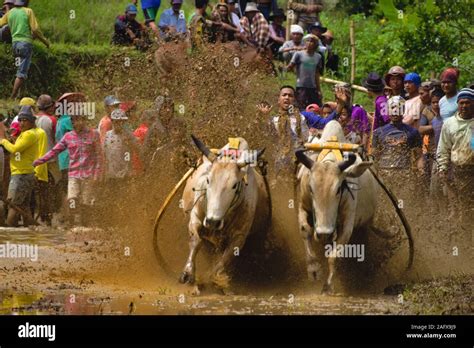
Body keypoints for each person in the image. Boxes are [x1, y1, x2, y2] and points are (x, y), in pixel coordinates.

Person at [34, 115, 102, 226]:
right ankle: (72, 225)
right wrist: (40, 161)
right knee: (72, 200)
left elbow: (99, 155)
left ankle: (86, 227)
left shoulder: (94, 134)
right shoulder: (68, 136)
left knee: (86, 203)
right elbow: (54, 151)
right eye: (73, 121)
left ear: (84, 120)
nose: (75, 123)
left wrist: (97, 174)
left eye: (78, 120)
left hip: (89, 174)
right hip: (74, 174)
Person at [436, 88, 473, 220]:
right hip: (457, 171)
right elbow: (443, 148)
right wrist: (442, 168)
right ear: (457, 104)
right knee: (458, 207)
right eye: (461, 103)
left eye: (468, 102)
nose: (464, 106)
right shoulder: (449, 124)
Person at [0, 0, 50, 99]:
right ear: (26, 3)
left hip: (15, 45)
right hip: (25, 44)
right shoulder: (28, 11)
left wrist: (6, 12)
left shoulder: (11, 12)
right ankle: (13, 97)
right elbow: (35, 29)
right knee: (21, 73)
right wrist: (45, 42)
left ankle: (21, 95)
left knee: (21, 71)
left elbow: (1, 23)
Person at [373, 96, 422, 190]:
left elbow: (419, 155)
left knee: (404, 202)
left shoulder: (413, 132)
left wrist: (421, 171)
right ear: (387, 110)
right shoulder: (378, 132)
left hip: (405, 174)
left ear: (403, 110)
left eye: (398, 108)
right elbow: (375, 155)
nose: (395, 111)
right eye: (392, 107)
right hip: (384, 173)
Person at [0, 105, 38, 226]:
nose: (21, 123)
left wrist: (3, 141)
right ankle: (30, 230)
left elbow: (15, 149)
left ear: (31, 122)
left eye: (25, 120)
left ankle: (11, 234)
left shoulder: (29, 135)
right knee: (23, 206)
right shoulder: (25, 134)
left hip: (21, 174)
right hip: (23, 173)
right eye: (20, 120)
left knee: (13, 206)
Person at [286, 34, 323, 109]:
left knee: (314, 107)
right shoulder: (298, 54)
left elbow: (316, 74)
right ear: (305, 42)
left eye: (312, 41)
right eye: (308, 41)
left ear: (315, 44)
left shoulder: (318, 57)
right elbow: (290, 66)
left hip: (312, 87)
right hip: (301, 86)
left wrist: (319, 90)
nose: (309, 43)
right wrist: (285, 68)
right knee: (300, 107)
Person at [103, 109, 140, 182]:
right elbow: (105, 154)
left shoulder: (129, 134)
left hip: (126, 174)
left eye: (121, 121)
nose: (119, 124)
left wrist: (130, 143)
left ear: (123, 122)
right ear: (112, 121)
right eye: (116, 121)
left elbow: (138, 149)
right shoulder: (107, 135)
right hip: (111, 175)